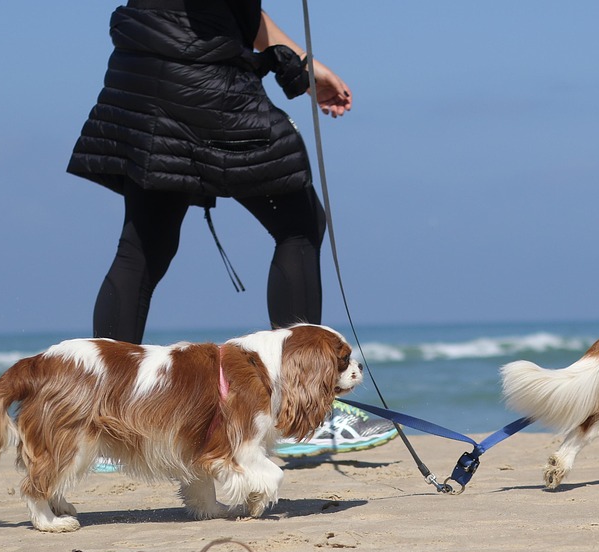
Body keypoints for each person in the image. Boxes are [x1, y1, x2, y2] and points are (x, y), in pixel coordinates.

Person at [67, 0, 395, 458]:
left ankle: (101, 425)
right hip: (204, 80)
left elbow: (241, 10)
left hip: (144, 74)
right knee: (298, 225)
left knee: (142, 248)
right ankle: (299, 409)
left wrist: (306, 65)